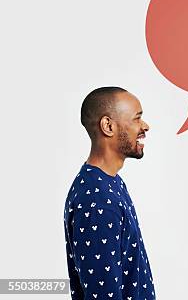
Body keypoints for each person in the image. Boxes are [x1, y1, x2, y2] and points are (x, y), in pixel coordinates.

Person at [63, 87, 156, 300]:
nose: (145, 126)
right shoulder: (96, 200)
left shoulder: (110, 183)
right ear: (108, 126)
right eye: (136, 118)